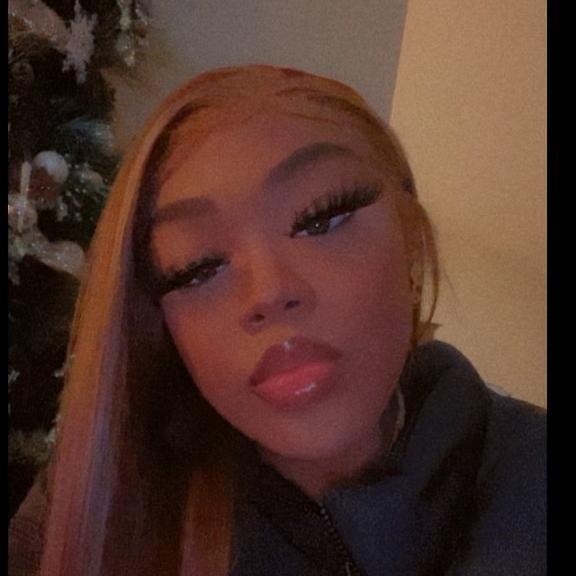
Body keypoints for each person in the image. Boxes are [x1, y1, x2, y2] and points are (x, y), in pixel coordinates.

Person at [9, 64, 546, 576]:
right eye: (198, 267)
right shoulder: (91, 505)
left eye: (322, 218)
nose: (269, 292)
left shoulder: (530, 474)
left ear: (410, 233)